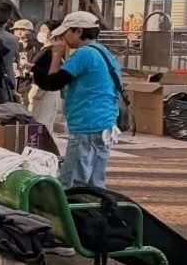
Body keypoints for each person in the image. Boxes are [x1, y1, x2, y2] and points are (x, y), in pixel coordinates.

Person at [34, 11, 122, 188]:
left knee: (73, 182)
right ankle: (94, 212)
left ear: (78, 32)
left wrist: (57, 54)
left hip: (86, 125)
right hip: (105, 123)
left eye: (67, 32)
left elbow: (52, 83)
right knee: (95, 183)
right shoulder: (103, 53)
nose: (64, 37)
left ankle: (75, 214)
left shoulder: (83, 54)